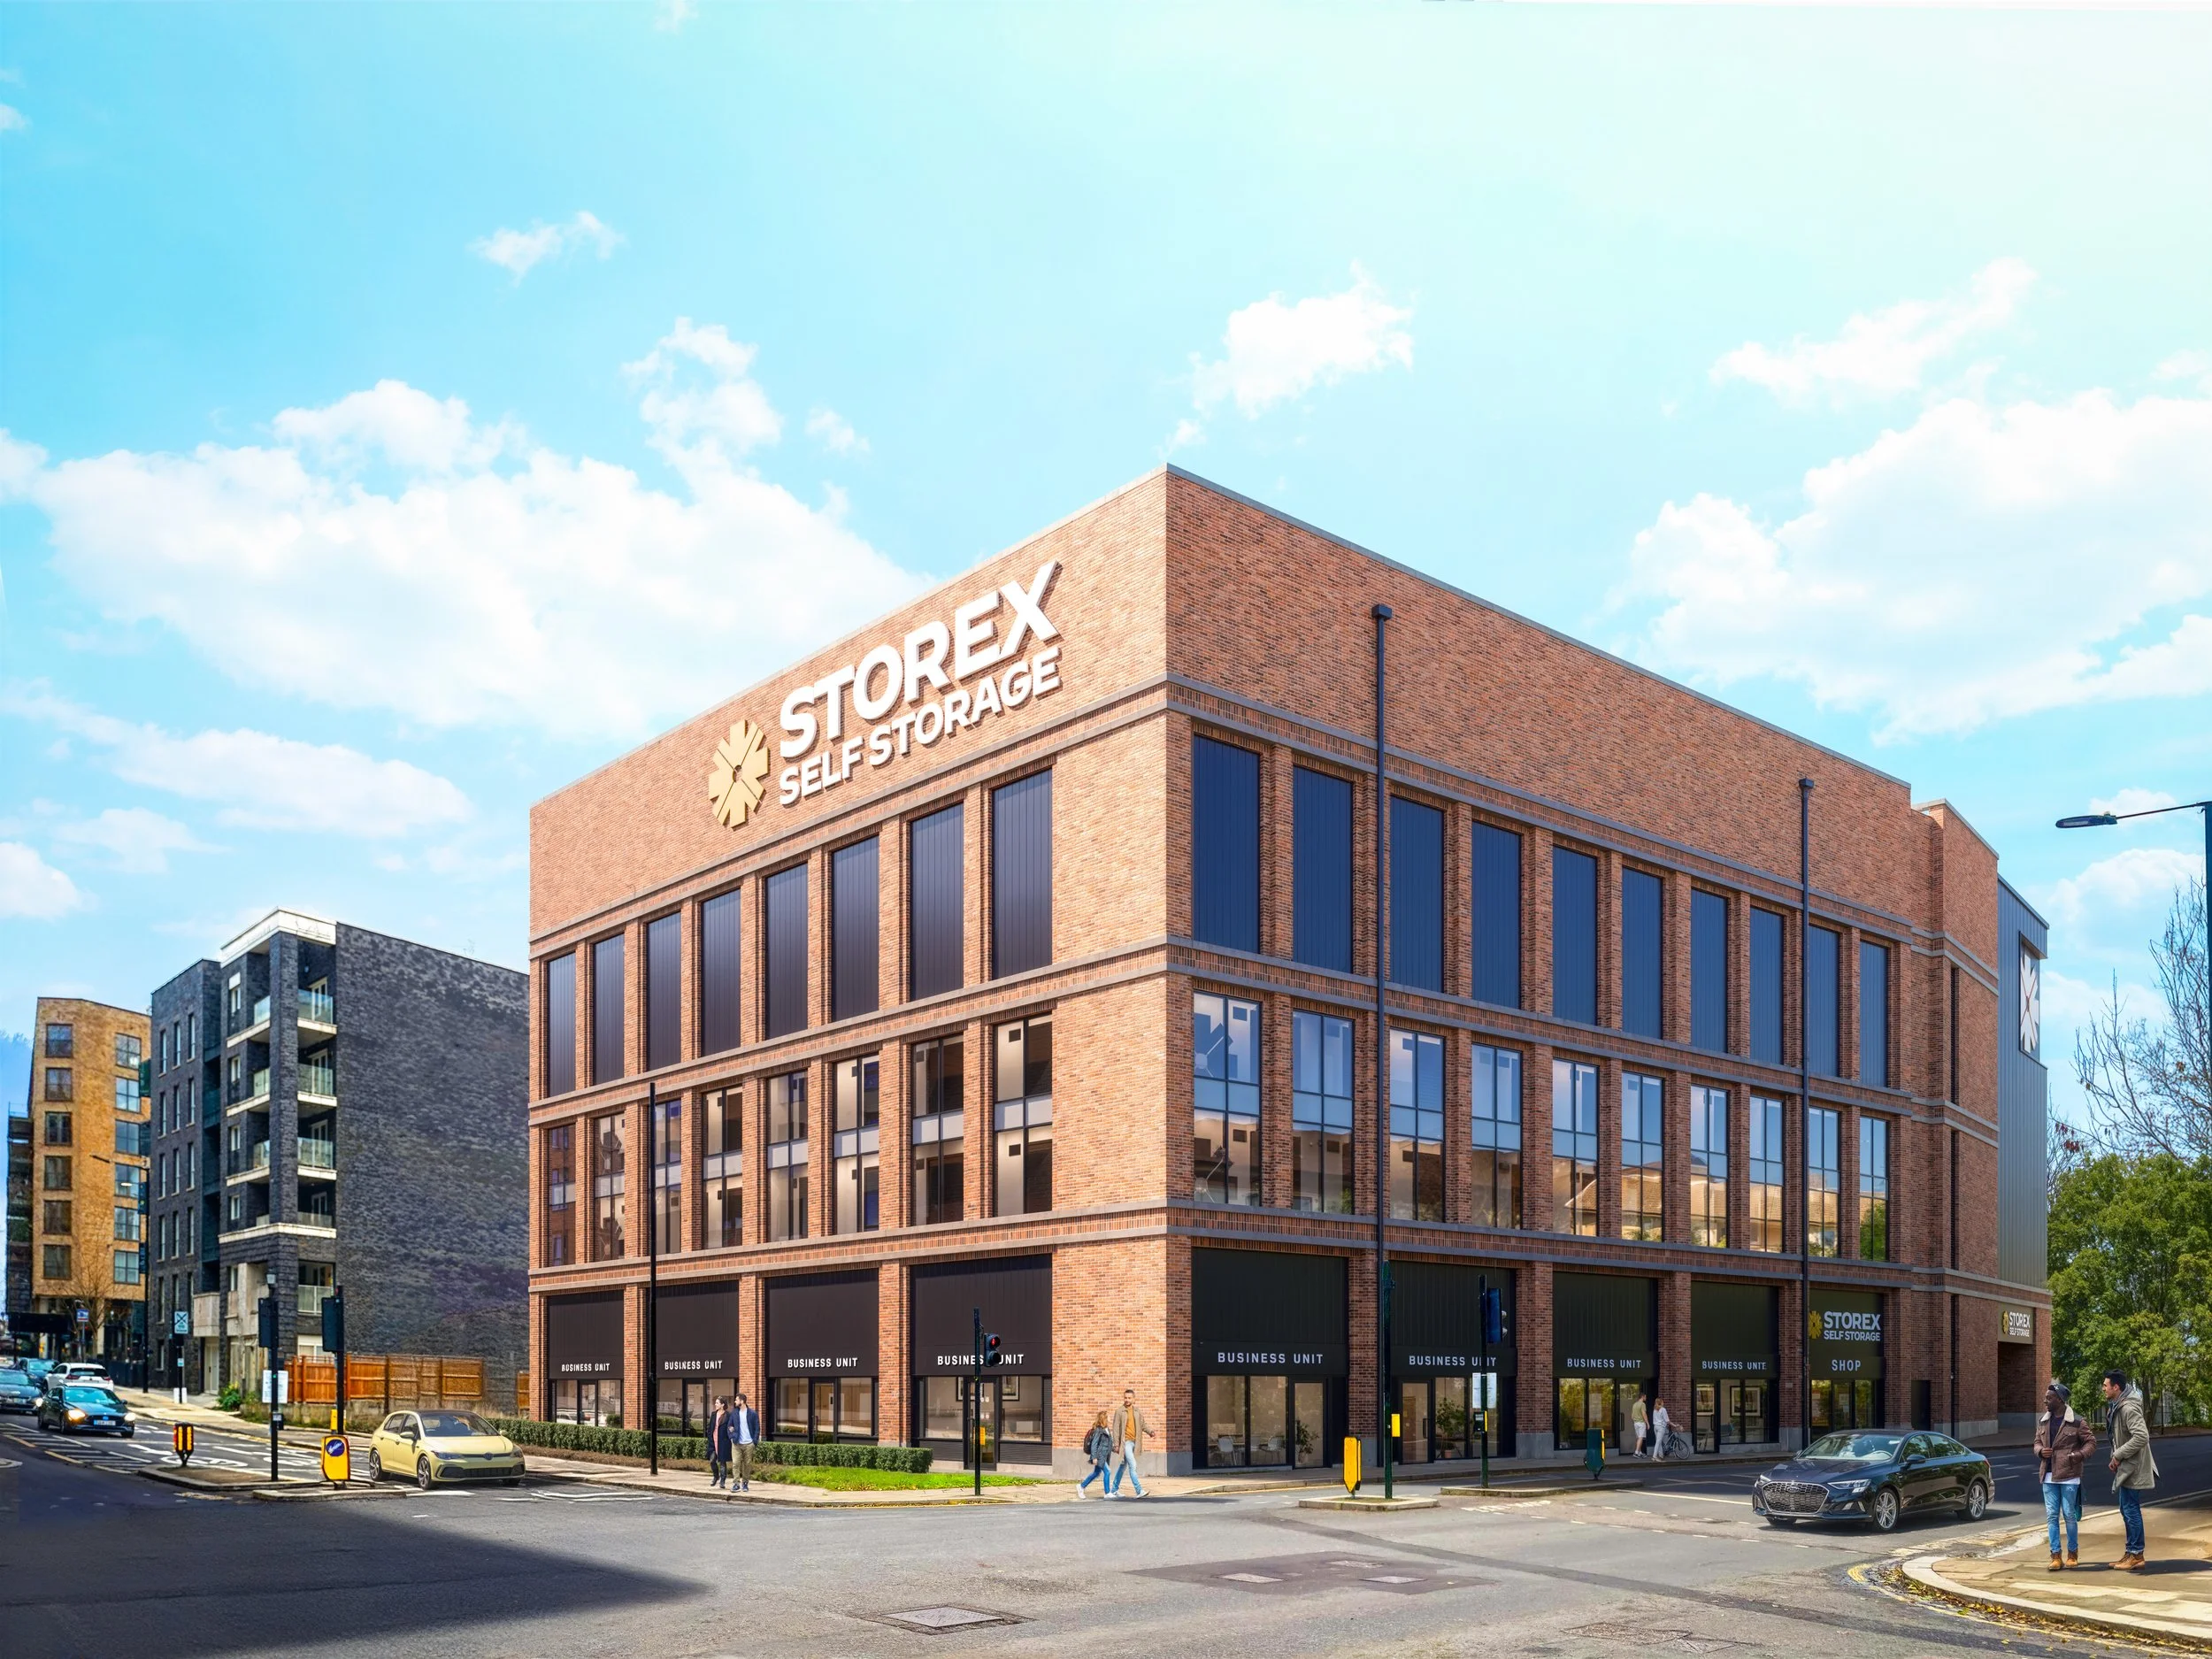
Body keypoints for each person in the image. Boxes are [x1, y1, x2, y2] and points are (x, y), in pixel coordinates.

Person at [2034, 1379, 2094, 1569]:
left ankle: (2072, 1554)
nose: (2045, 1401)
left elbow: (2091, 1443)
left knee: (2069, 1515)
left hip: (2069, 1475)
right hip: (2048, 1476)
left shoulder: (2076, 1421)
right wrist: (2039, 1451)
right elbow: (2036, 1442)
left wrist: (2079, 1455)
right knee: (2052, 1516)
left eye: (2049, 1398)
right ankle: (2055, 1556)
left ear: (2060, 1400)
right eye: (2045, 1398)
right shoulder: (2043, 1421)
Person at [2103, 1369, 2157, 1571]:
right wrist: (2114, 1456)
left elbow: (2142, 1437)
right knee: (2126, 1509)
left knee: (2131, 1509)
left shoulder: (2128, 1408)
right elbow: (2119, 1437)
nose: (2103, 1388)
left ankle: (2136, 1554)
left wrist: (2119, 1455)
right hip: (2126, 1465)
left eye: (2106, 1385)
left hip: (2133, 1466)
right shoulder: (2118, 1406)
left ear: (2116, 1387)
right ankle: (2130, 1552)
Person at [1110, 1388, 1152, 1498]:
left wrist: (1150, 1432)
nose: (1127, 1400)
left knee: (1123, 1467)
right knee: (1132, 1466)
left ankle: (1113, 1490)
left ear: (1134, 1399)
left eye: (1129, 1398)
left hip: (1135, 1442)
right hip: (1126, 1443)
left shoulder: (1137, 1411)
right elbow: (1115, 1429)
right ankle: (1139, 1490)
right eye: (1125, 1398)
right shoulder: (1120, 1411)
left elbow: (1142, 1424)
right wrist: (1116, 1444)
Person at [731, 1391, 761, 1493]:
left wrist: (754, 1441)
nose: (735, 1402)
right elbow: (729, 1426)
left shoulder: (752, 1413)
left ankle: (745, 1483)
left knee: (747, 1464)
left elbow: (757, 1428)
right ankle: (736, 1484)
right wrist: (732, 1436)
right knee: (735, 1463)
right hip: (736, 1443)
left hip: (749, 1444)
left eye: (736, 1400)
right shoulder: (734, 1413)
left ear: (742, 1401)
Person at [1079, 1411, 1115, 1497]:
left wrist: (1115, 1450)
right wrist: (1094, 1457)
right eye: (1108, 1417)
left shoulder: (1106, 1429)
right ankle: (1107, 1493)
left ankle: (1081, 1486)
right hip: (1099, 1455)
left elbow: (1108, 1443)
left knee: (1096, 1473)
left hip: (1105, 1455)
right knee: (1108, 1471)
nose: (1110, 1418)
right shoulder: (1099, 1430)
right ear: (1104, 1418)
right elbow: (1094, 1444)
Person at [707, 1397, 731, 1489]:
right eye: (715, 1403)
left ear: (722, 1405)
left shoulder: (728, 1415)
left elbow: (730, 1427)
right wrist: (710, 1438)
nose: (715, 1404)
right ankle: (715, 1476)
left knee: (722, 1462)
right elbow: (710, 1428)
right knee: (712, 1460)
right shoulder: (713, 1414)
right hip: (713, 1441)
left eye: (717, 1403)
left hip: (723, 1442)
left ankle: (722, 1481)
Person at [1649, 1396, 1671, 1462]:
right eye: (1662, 1401)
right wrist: (1674, 1425)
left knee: (1658, 1441)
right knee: (1658, 1442)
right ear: (1661, 1402)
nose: (1663, 1402)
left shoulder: (1655, 1409)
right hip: (1661, 1427)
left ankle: (1661, 1455)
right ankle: (1654, 1457)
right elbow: (1667, 1420)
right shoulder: (1663, 1409)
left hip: (1655, 1427)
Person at [1631, 1393, 1649, 1459]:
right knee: (1641, 1438)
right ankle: (1636, 1452)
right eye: (1645, 1397)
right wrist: (1647, 1423)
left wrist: (1635, 1421)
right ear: (1642, 1397)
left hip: (1636, 1423)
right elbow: (1644, 1414)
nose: (1646, 1398)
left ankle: (1640, 1452)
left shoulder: (1634, 1404)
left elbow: (1632, 1416)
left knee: (1638, 1438)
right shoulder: (1642, 1404)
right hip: (1641, 1423)